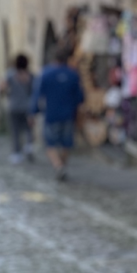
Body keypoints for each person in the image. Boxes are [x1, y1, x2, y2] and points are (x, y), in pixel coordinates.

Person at [31, 45, 85, 181]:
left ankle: (58, 166)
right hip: (68, 114)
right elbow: (80, 97)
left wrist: (33, 112)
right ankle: (62, 166)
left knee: (50, 144)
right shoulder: (73, 75)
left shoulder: (46, 73)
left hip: (51, 114)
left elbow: (37, 95)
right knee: (66, 143)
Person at [2, 54, 36, 164]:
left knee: (15, 131)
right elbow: (34, 91)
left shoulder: (11, 75)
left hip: (14, 106)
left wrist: (7, 93)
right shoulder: (31, 76)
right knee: (28, 128)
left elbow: (1, 87)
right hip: (27, 106)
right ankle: (29, 146)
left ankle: (17, 154)